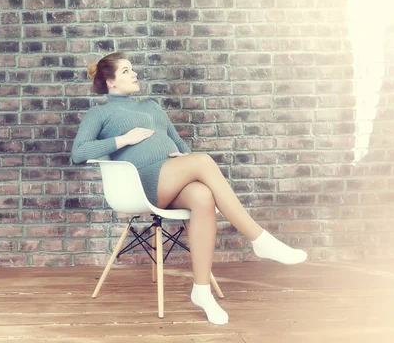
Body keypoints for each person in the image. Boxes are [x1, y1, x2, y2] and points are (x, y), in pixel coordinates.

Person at [71, 51, 307, 325]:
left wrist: (184, 159)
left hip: (172, 179)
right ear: (110, 82)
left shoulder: (151, 106)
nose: (134, 73)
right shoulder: (99, 113)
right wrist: (123, 140)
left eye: (132, 69)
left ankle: (202, 291)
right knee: (204, 161)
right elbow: (79, 152)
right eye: (126, 71)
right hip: (143, 184)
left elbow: (178, 142)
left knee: (203, 196)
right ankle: (259, 239)